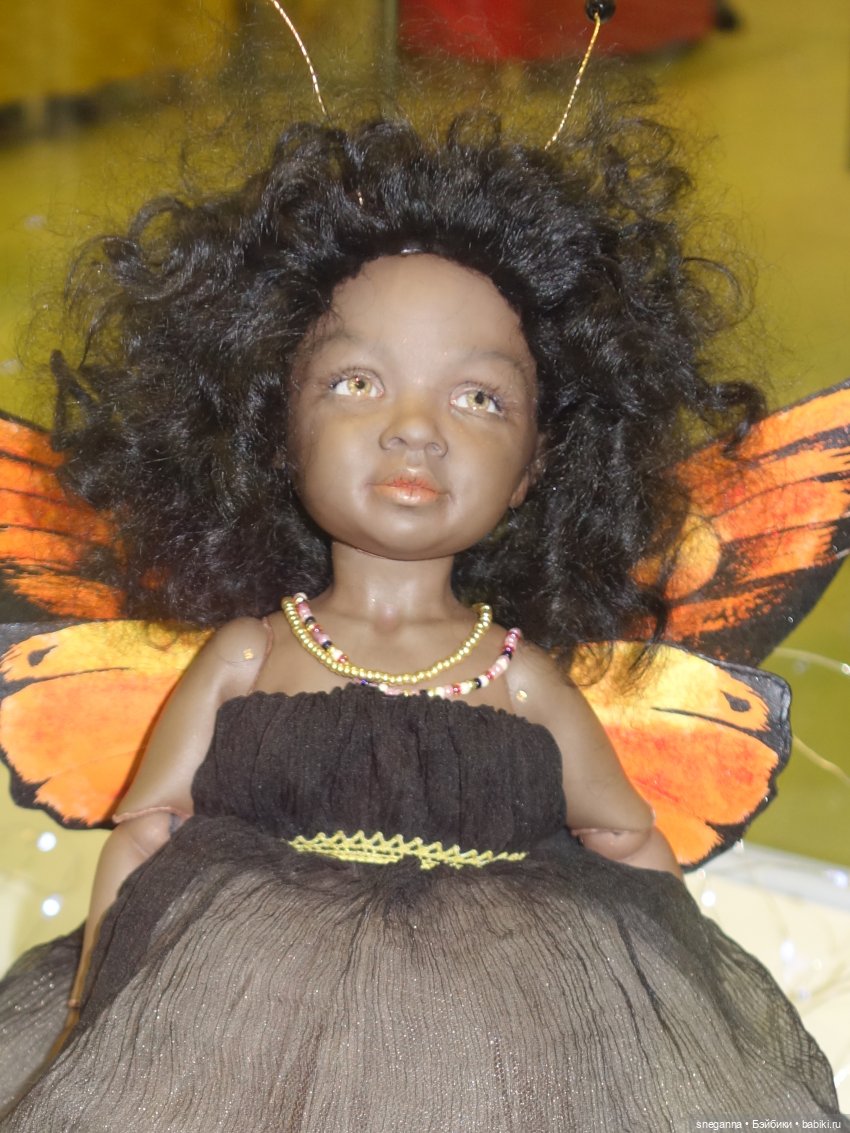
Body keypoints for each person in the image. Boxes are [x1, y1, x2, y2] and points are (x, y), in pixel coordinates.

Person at [0, 83, 843, 1130]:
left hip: (493, 1041)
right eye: (357, 383)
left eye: (478, 398)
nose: (416, 429)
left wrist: (682, 1024)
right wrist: (91, 1011)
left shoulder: (521, 677)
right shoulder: (250, 653)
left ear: (536, 465)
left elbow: (628, 840)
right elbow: (147, 828)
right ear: (276, 427)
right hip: (238, 1025)